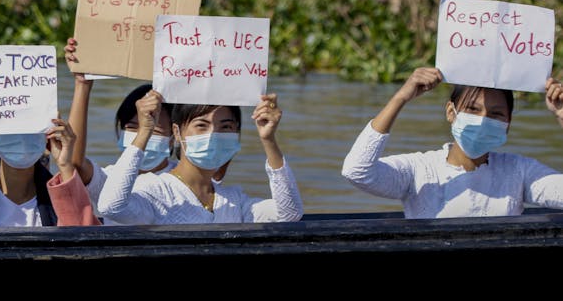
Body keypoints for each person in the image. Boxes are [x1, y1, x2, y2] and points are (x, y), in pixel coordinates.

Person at [341, 67, 563, 218]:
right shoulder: (420, 169)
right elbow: (357, 171)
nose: (483, 120)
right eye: (473, 110)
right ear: (451, 112)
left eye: (495, 114)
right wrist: (401, 97)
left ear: (508, 122)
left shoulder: (518, 171)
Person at [63, 37, 229, 223]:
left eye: (154, 130)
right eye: (132, 127)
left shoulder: (188, 179)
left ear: (174, 135)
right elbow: (75, 161)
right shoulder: (110, 179)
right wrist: (82, 85)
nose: (142, 133)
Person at [95, 89, 304, 224]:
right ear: (176, 133)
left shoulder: (233, 200)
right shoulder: (154, 190)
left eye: (226, 127)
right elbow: (111, 206)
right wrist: (144, 132)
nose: (213, 135)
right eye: (201, 125)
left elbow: (289, 214)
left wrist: (268, 139)